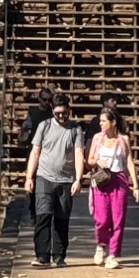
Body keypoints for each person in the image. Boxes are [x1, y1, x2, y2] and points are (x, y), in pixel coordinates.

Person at [24, 95, 85, 267]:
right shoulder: (44, 126)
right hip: (44, 177)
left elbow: (79, 154)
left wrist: (78, 180)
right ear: (52, 111)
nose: (61, 117)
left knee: (61, 219)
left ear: (68, 111)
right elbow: (35, 152)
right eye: (57, 113)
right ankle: (42, 255)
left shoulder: (75, 129)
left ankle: (59, 255)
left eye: (64, 113)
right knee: (43, 216)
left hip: (66, 179)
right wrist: (29, 177)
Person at [86, 109, 139, 269]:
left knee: (118, 220)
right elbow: (89, 160)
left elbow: (129, 161)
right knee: (102, 219)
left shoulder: (123, 140)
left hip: (119, 180)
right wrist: (97, 160)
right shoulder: (98, 138)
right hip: (103, 180)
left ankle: (113, 254)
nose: (101, 124)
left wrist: (135, 185)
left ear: (113, 122)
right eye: (100, 121)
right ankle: (101, 245)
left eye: (104, 121)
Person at [20, 86, 54, 150]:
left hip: (49, 148)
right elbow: (25, 128)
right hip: (34, 146)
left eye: (49, 100)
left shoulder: (54, 113)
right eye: (44, 99)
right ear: (39, 99)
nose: (47, 102)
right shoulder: (32, 112)